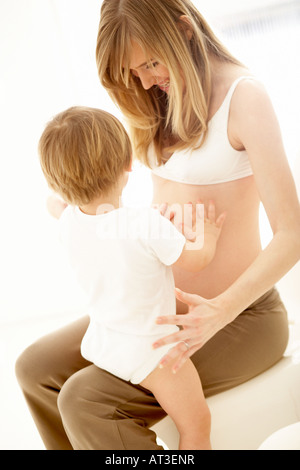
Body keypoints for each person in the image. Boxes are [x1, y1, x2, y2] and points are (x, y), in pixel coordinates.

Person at [15, 0, 300, 450]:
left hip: (239, 318)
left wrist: (220, 310)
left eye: (151, 62)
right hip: (156, 311)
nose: (146, 79)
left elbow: (293, 234)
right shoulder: (157, 97)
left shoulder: (245, 97)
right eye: (134, 71)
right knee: (35, 367)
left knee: (85, 399)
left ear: (184, 30)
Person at [18, 106, 226, 450]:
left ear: (56, 181)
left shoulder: (68, 221)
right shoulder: (145, 224)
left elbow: (53, 205)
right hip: (153, 352)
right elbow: (198, 260)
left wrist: (65, 190)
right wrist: (206, 234)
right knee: (196, 424)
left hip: (107, 345)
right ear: (130, 165)